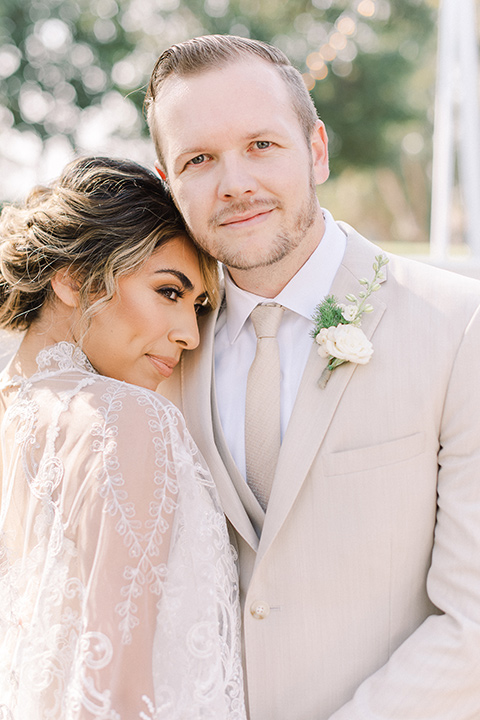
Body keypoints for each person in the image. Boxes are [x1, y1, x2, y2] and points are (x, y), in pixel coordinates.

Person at [144, 34, 480, 720]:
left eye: (261, 145)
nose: (234, 182)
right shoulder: (159, 351)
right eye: (200, 159)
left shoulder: (458, 328)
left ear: (317, 150)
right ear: (166, 183)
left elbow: (472, 622)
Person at [0, 156, 246, 719]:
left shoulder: (13, 413)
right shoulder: (128, 419)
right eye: (168, 292)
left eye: (198, 306)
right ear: (71, 280)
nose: (189, 334)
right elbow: (113, 687)